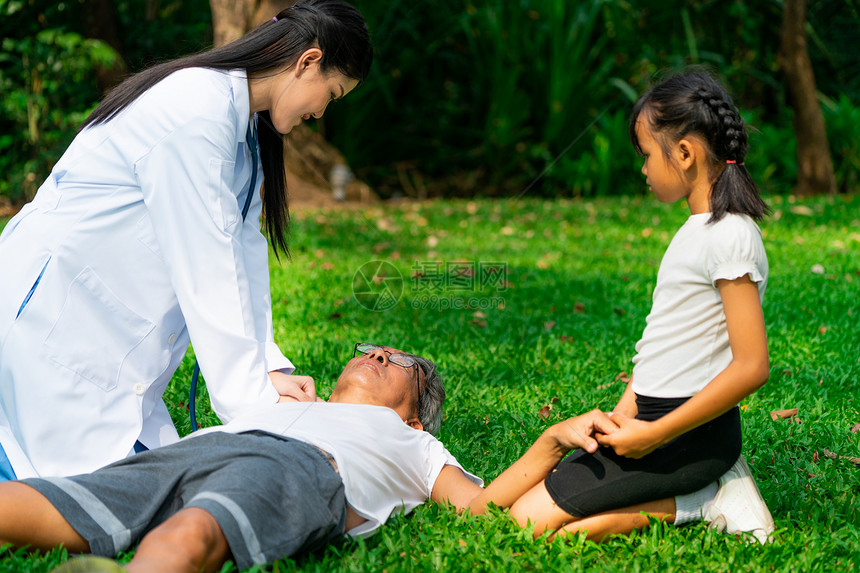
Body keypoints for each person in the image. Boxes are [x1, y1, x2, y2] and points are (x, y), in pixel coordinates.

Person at [0, 0, 373, 481]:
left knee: (143, 482)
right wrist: (257, 408)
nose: (321, 112)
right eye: (332, 93)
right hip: (49, 323)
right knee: (65, 489)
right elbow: (207, 267)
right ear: (308, 62)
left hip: (106, 345)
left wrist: (269, 368)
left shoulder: (245, 133)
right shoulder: (197, 110)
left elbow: (245, 256)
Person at [0, 343, 622, 573]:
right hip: (197, 450)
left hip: (299, 469)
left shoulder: (413, 442)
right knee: (37, 504)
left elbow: (479, 507)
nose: (378, 356)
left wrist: (548, 443)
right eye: (373, 350)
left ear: (412, 413)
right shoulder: (277, 402)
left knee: (191, 534)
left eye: (398, 361)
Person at [505, 71, 775, 544]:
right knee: (534, 520)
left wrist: (654, 436)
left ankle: (703, 500)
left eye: (647, 155)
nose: (644, 169)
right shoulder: (698, 230)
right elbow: (663, 349)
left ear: (686, 153)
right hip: (650, 425)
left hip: (689, 438)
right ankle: (700, 497)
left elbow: (752, 366)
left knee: (530, 525)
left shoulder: (731, 234)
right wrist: (624, 417)